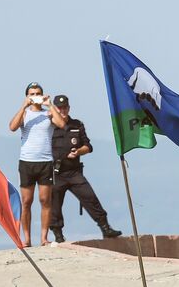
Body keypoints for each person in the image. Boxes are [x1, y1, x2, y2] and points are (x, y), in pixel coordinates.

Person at [46, 95, 122, 243]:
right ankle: (58, 235)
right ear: (54, 109)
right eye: (59, 108)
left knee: (90, 198)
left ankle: (105, 228)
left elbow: (88, 146)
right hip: (56, 173)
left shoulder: (77, 125)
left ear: (69, 108)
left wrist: (79, 152)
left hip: (74, 172)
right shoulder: (48, 126)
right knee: (54, 205)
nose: (63, 110)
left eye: (65, 107)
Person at [8, 82, 66, 247]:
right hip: (27, 162)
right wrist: (23, 106)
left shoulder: (48, 114)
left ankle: (44, 238)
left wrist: (50, 104)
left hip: (45, 162)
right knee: (26, 201)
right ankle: (27, 238)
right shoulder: (25, 114)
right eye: (32, 94)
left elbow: (62, 124)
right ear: (27, 96)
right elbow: (12, 127)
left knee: (45, 200)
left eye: (38, 93)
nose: (35, 96)